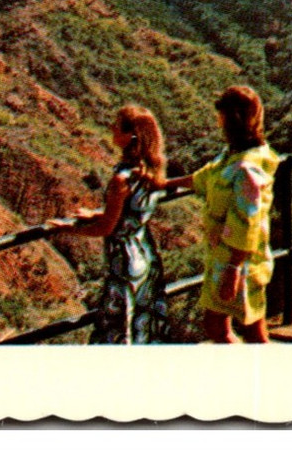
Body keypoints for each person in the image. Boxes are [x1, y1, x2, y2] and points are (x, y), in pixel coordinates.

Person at [165, 85, 280, 344]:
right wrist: (166, 184)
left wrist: (233, 269)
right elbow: (206, 177)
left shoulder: (246, 168)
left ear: (232, 119)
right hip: (228, 257)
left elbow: (246, 219)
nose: (218, 122)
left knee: (236, 327)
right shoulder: (236, 155)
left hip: (238, 261)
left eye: (222, 117)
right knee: (242, 324)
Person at [58, 105, 170, 344]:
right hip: (146, 254)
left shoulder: (121, 179)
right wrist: (95, 214)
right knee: (142, 326)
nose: (111, 128)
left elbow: (106, 228)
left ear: (130, 137)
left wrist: (66, 228)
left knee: (117, 330)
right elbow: (128, 214)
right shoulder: (150, 170)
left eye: (116, 125)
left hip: (124, 261)